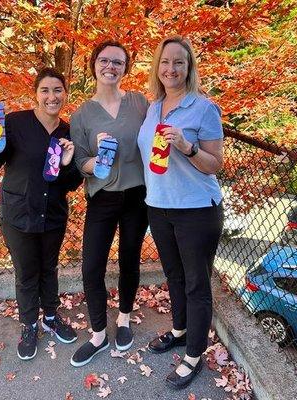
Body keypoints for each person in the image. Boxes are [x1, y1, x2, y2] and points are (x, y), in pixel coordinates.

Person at [0, 67, 83, 361]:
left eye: (58, 90)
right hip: (18, 213)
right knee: (26, 272)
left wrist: (69, 162)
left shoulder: (68, 131)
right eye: (45, 90)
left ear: (65, 94)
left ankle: (50, 316)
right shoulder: (15, 123)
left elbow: (71, 183)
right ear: (35, 94)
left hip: (53, 213)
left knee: (49, 268)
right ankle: (29, 324)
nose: (52, 96)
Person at [137, 35, 224, 389]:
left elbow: (214, 163)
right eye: (165, 62)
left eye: (178, 62)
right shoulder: (152, 107)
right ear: (157, 68)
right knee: (173, 276)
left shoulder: (203, 108)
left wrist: (187, 148)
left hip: (196, 211)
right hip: (158, 207)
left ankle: (193, 355)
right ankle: (179, 329)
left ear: (189, 68)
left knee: (196, 283)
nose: (170, 69)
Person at [70, 40, 149, 367]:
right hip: (101, 197)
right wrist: (97, 161)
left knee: (130, 260)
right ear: (94, 65)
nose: (111, 66)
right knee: (92, 267)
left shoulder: (139, 103)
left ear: (125, 68)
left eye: (118, 62)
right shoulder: (82, 115)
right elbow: (80, 162)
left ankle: (125, 319)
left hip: (137, 196)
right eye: (104, 60)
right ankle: (99, 334)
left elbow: (159, 133)